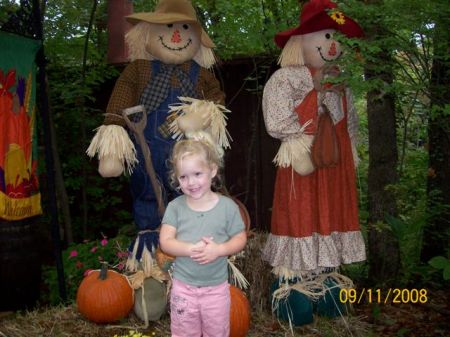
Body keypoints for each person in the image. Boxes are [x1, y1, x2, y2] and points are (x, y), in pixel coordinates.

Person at [159, 139, 247, 337]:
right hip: (183, 290)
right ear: (177, 179)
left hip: (216, 290)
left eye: (197, 174)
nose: (191, 183)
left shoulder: (227, 207)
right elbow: (165, 241)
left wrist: (218, 250)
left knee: (216, 333)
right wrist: (190, 249)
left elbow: (240, 238)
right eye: (183, 177)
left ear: (212, 170)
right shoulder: (175, 207)